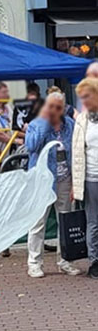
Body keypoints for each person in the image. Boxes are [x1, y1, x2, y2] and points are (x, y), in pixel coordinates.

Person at [25, 91, 79, 279]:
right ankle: (34, 262)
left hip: (64, 179)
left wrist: (74, 183)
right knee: (38, 222)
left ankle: (65, 261)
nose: (55, 110)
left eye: (58, 107)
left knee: (64, 221)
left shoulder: (70, 125)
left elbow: (76, 152)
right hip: (43, 181)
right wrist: (44, 123)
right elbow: (31, 146)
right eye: (51, 107)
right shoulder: (36, 124)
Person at [72, 77, 98, 278]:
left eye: (87, 96)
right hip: (91, 178)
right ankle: (95, 261)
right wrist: (75, 183)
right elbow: (77, 154)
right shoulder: (81, 120)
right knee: (93, 222)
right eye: (82, 97)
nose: (84, 101)